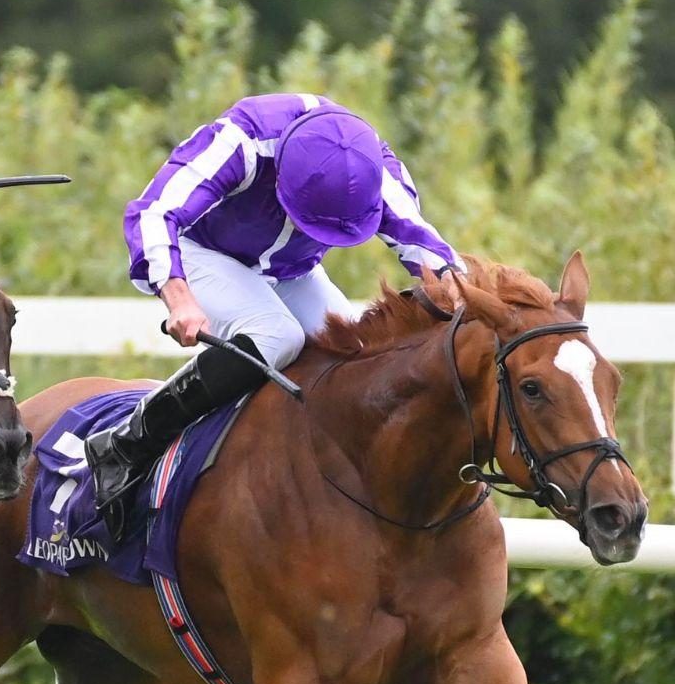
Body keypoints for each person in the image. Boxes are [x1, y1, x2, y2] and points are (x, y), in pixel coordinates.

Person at [85, 93, 460, 524]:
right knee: (276, 334)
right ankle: (127, 444)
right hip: (199, 251)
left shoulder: (372, 165)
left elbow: (425, 245)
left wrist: (464, 296)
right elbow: (153, 212)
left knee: (353, 350)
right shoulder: (241, 141)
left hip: (288, 267)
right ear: (281, 176)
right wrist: (179, 297)